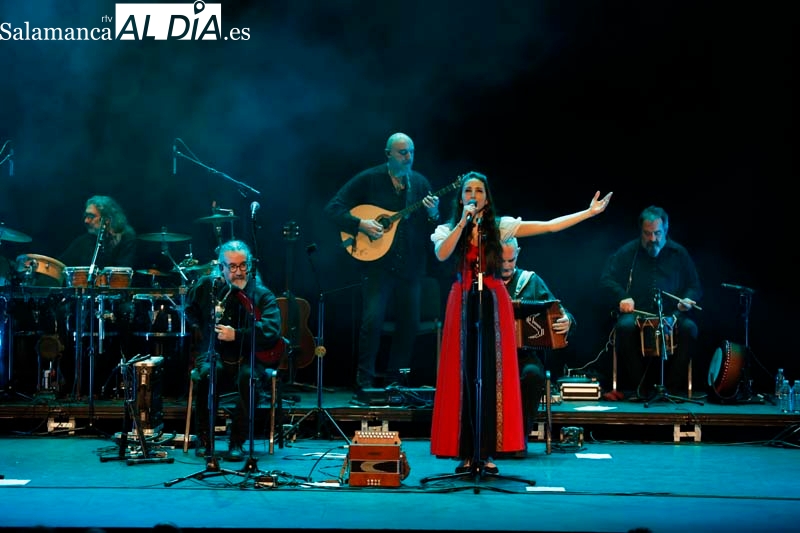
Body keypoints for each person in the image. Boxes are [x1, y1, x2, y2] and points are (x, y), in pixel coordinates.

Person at [430, 171, 611, 474]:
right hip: (461, 303)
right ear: (461, 197)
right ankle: (465, 452)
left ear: (487, 198)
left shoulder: (500, 227)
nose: (473, 195)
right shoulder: (448, 228)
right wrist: (463, 222)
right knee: (464, 376)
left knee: (489, 376)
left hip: (492, 300)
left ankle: (487, 451)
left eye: (479, 191)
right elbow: (441, 253)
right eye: (468, 190)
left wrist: (588, 213)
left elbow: (550, 227)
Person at [324, 132, 441, 394]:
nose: (408, 157)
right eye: (402, 152)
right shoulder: (370, 179)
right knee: (372, 321)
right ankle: (364, 381)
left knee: (409, 325)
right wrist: (360, 224)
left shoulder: (420, 183)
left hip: (411, 267)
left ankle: (396, 380)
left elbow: (431, 228)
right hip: (377, 265)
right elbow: (333, 208)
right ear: (388, 153)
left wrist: (433, 214)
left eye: (411, 151)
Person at [185, 240, 284, 461]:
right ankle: (204, 438)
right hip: (215, 351)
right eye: (232, 267)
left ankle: (237, 441)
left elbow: (271, 332)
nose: (238, 272)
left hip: (248, 356)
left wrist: (237, 335)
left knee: (249, 378)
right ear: (221, 267)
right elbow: (189, 309)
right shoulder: (206, 286)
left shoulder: (261, 294)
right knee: (207, 374)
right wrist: (203, 329)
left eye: (243, 265)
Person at [599, 205, 702, 399]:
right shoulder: (628, 252)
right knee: (624, 327)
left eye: (657, 233)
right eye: (647, 234)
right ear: (641, 231)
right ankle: (642, 390)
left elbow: (695, 286)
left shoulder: (679, 253)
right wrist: (622, 296)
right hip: (638, 313)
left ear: (666, 230)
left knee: (690, 329)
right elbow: (606, 279)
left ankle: (671, 391)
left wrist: (688, 299)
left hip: (673, 314)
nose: (653, 239)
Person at [500, 237, 575, 455]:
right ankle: (487, 442)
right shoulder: (484, 281)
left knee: (532, 374)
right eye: (502, 260)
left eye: (511, 260)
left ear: (518, 253)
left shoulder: (530, 281)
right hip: (489, 355)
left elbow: (558, 311)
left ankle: (517, 440)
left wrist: (567, 320)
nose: (506, 266)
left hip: (525, 355)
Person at [59, 195, 137, 269]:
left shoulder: (126, 239)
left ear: (107, 219)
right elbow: (60, 265)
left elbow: (123, 273)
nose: (86, 221)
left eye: (91, 216)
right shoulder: (84, 241)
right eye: (85, 216)